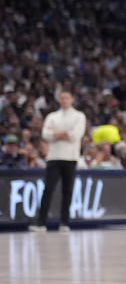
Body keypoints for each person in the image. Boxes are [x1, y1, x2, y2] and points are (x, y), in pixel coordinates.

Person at [30, 91, 86, 232]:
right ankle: (41, 223)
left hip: (70, 157)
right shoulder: (52, 116)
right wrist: (65, 133)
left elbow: (75, 135)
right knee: (48, 189)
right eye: (61, 98)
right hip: (54, 157)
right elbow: (46, 135)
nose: (64, 100)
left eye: (67, 97)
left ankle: (64, 222)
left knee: (67, 190)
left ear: (72, 99)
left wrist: (56, 133)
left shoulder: (79, 116)